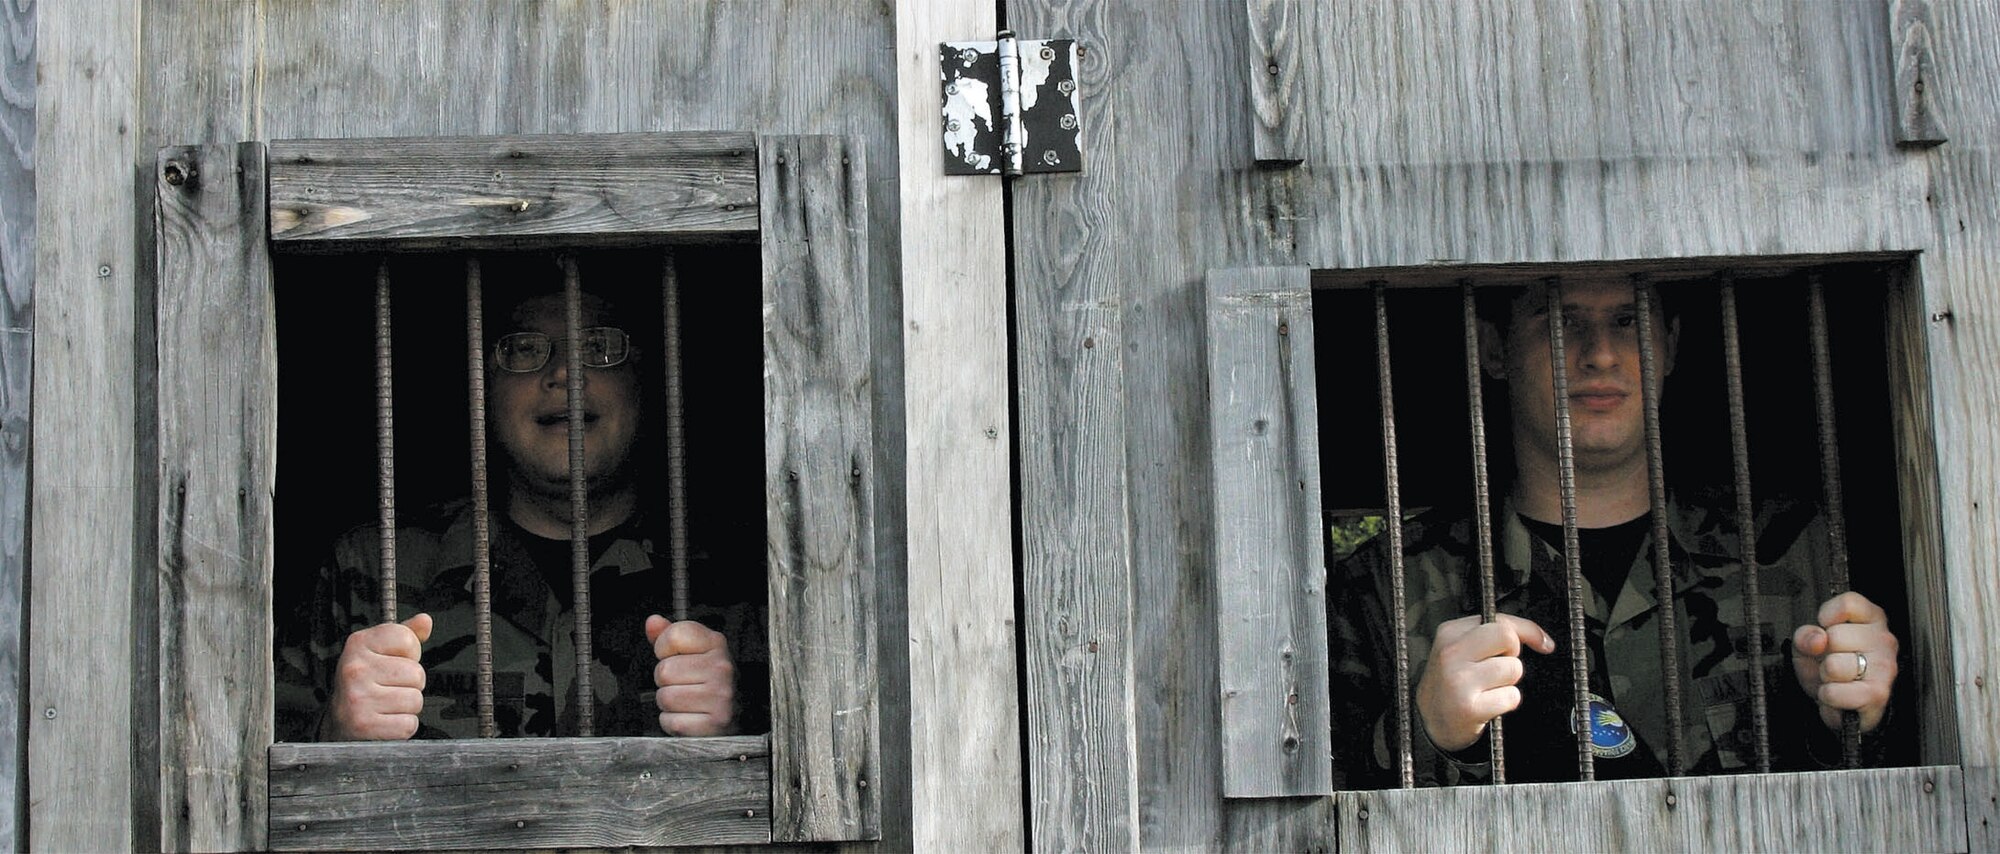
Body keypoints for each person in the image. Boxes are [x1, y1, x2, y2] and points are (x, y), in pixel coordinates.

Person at [1327, 277, 1900, 787]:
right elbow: (1309, 816)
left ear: (1669, 344)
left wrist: (1855, 721)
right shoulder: (1386, 585)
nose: (1600, 354)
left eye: (1627, 321)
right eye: (1561, 321)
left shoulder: (1793, 548)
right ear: (1493, 348)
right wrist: (1423, 735)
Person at [275, 269, 766, 741]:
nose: (564, 373)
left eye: (598, 346)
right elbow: (243, 785)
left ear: (646, 377)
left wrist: (742, 729)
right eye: (525, 349)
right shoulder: (371, 573)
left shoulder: (741, 578)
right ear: (484, 387)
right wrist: (334, 731)